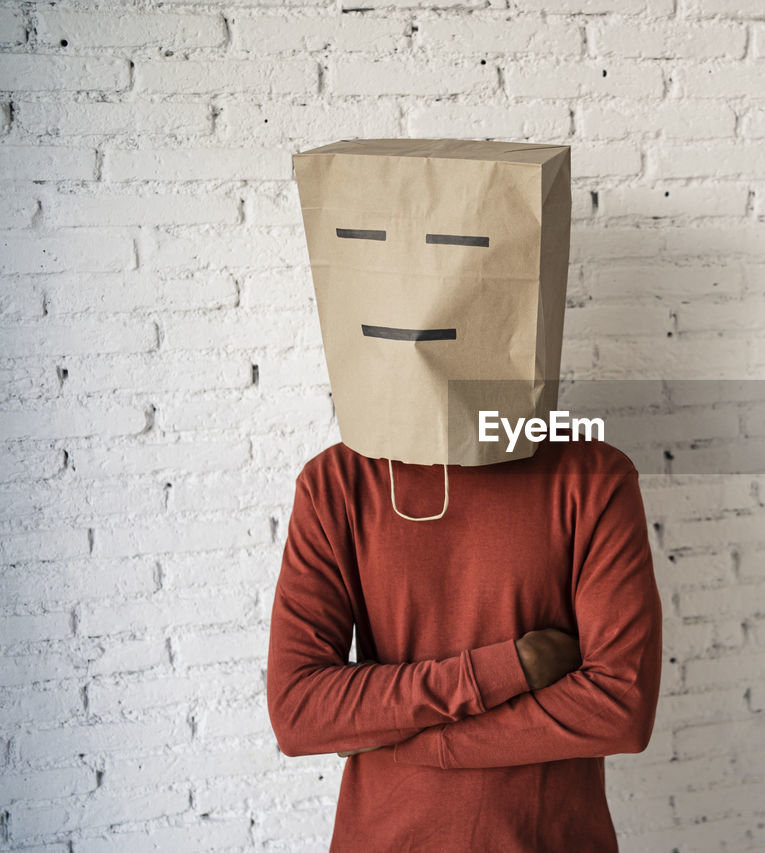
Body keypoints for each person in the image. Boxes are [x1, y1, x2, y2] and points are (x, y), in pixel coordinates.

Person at [266, 139, 663, 851]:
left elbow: (621, 707)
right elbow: (299, 711)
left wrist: (424, 744)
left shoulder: (595, 478)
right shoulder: (336, 486)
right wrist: (512, 667)